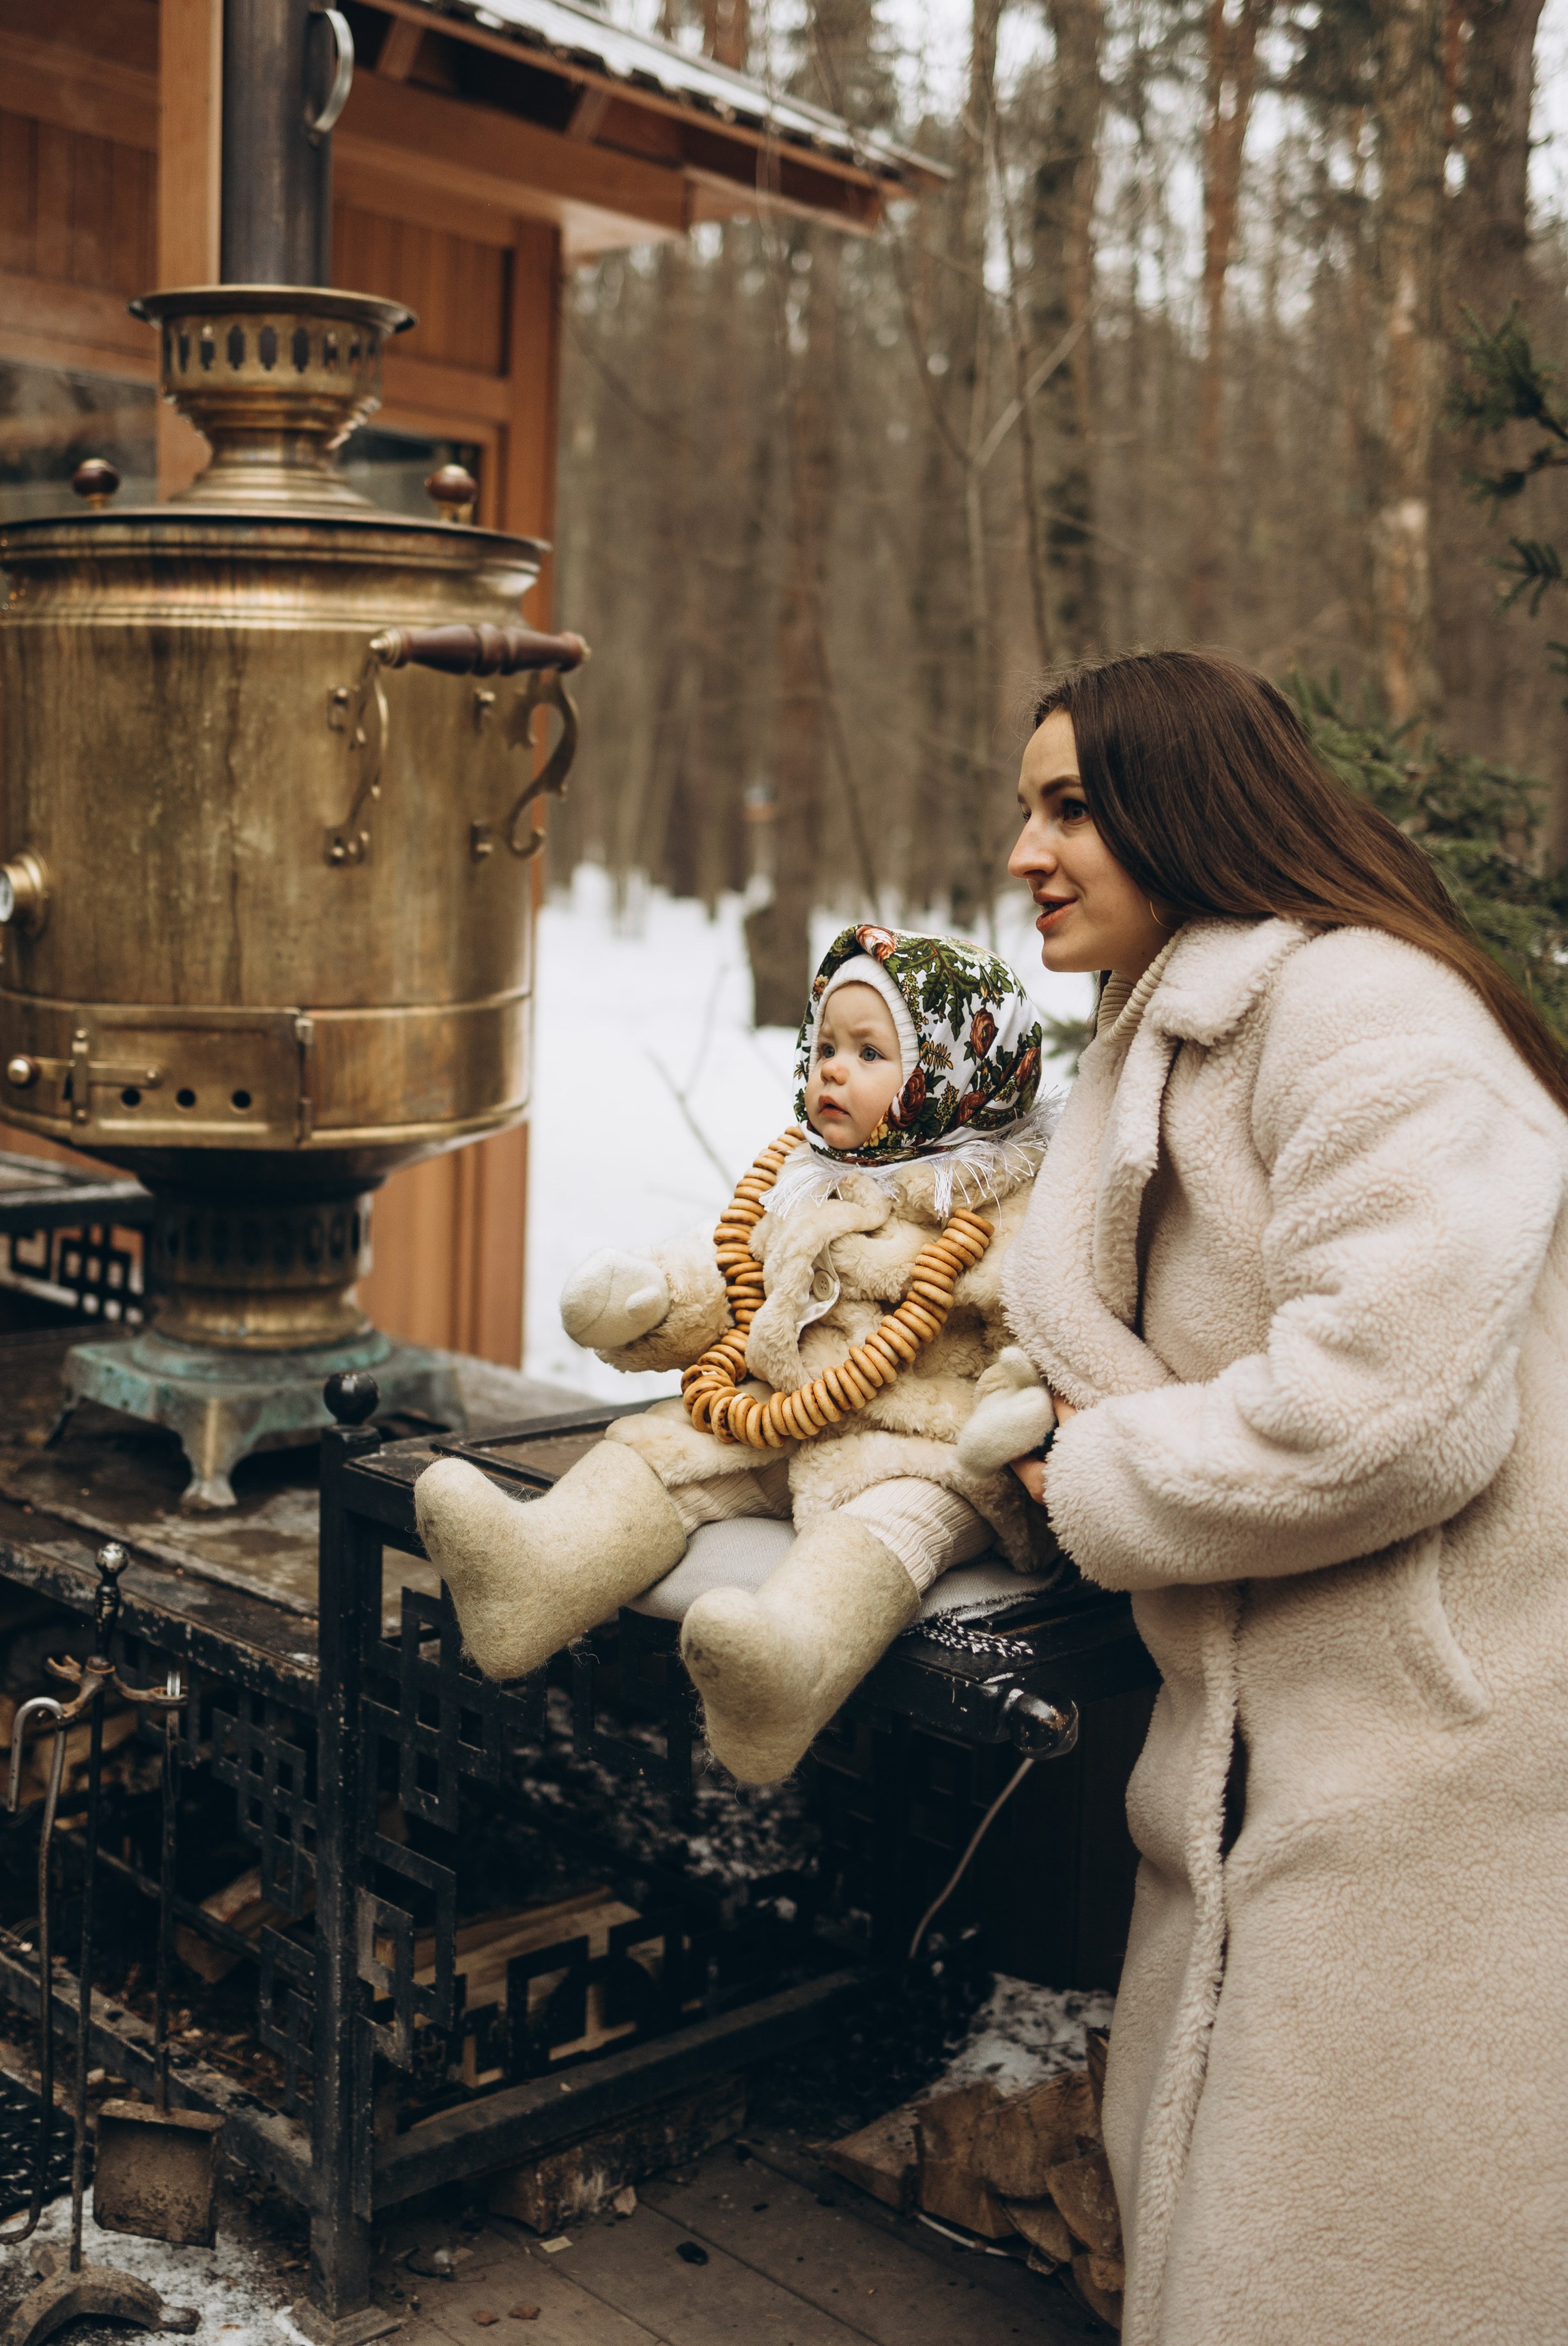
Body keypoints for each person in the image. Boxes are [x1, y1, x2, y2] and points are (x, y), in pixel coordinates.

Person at [999, 650, 1568, 2346]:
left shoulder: (1365, 1013)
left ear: (1187, 804)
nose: (1024, 852)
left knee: (1381, 2246)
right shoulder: (1171, 1026)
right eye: (1023, 809)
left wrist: (1094, 1473)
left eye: (1068, 806)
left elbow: (1385, 1415)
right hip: (1274, 1732)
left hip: (1441, 1751)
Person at [416, 925, 1061, 1782]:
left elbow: (1041, 1329)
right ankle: (534, 1573)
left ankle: (786, 1670)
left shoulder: (1005, 1212)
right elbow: (734, 1267)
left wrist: (1024, 1402)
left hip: (922, 1446)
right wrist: (653, 1295)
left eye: (869, 1053)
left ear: (955, 1077)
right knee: (664, 1448)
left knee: (886, 1525)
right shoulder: (806, 1178)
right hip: (780, 1413)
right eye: (825, 1047)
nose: (832, 1070)